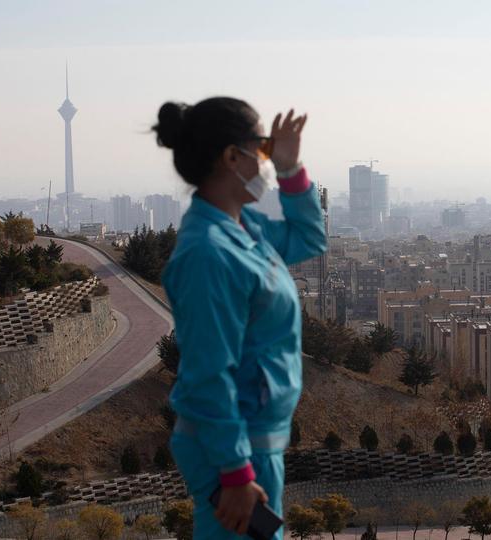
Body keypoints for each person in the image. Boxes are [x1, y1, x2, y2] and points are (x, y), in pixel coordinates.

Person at [153, 97, 326, 539]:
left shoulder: (244, 228)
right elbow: (208, 372)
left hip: (253, 445)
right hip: (234, 451)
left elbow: (309, 238)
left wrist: (290, 169)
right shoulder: (208, 253)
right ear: (232, 157)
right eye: (262, 149)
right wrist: (234, 472)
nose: (265, 161)